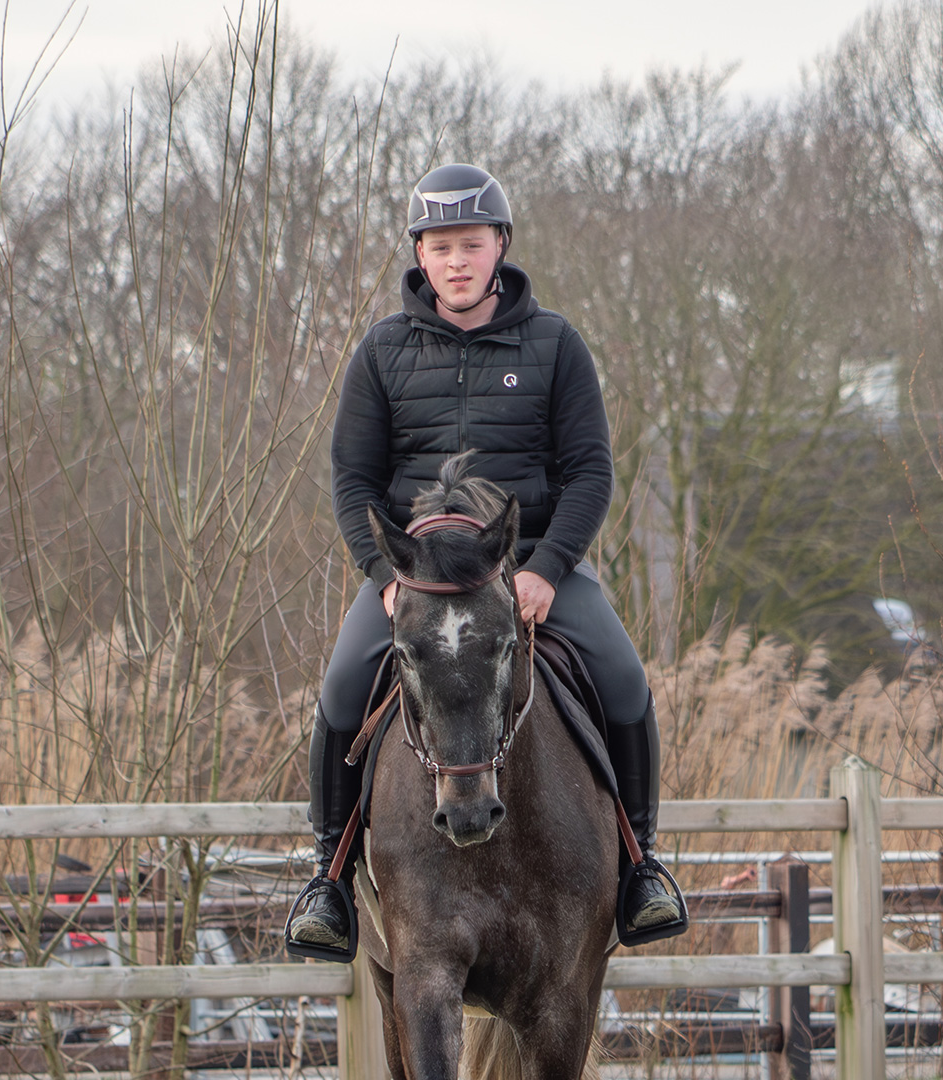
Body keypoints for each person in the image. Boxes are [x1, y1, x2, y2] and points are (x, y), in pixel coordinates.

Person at [289, 163, 685, 956]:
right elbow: (354, 479)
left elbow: (590, 472)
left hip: (530, 569)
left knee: (626, 683)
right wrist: (383, 578)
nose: (457, 260)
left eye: (471, 244)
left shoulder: (555, 344)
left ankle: (642, 867)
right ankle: (328, 882)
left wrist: (548, 568)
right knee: (339, 692)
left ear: (500, 245)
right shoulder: (382, 350)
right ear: (420, 256)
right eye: (441, 247)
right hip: (417, 578)